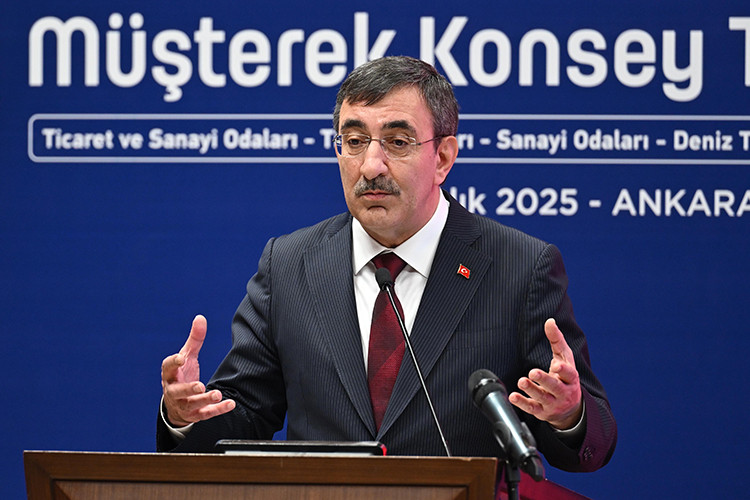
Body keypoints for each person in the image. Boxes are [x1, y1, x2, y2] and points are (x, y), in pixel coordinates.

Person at [158, 55, 616, 472]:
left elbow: (595, 440)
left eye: (397, 141)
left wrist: (568, 414)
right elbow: (241, 415)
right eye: (355, 141)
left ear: (443, 157)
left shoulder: (520, 267)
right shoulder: (289, 265)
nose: (371, 165)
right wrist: (184, 417)